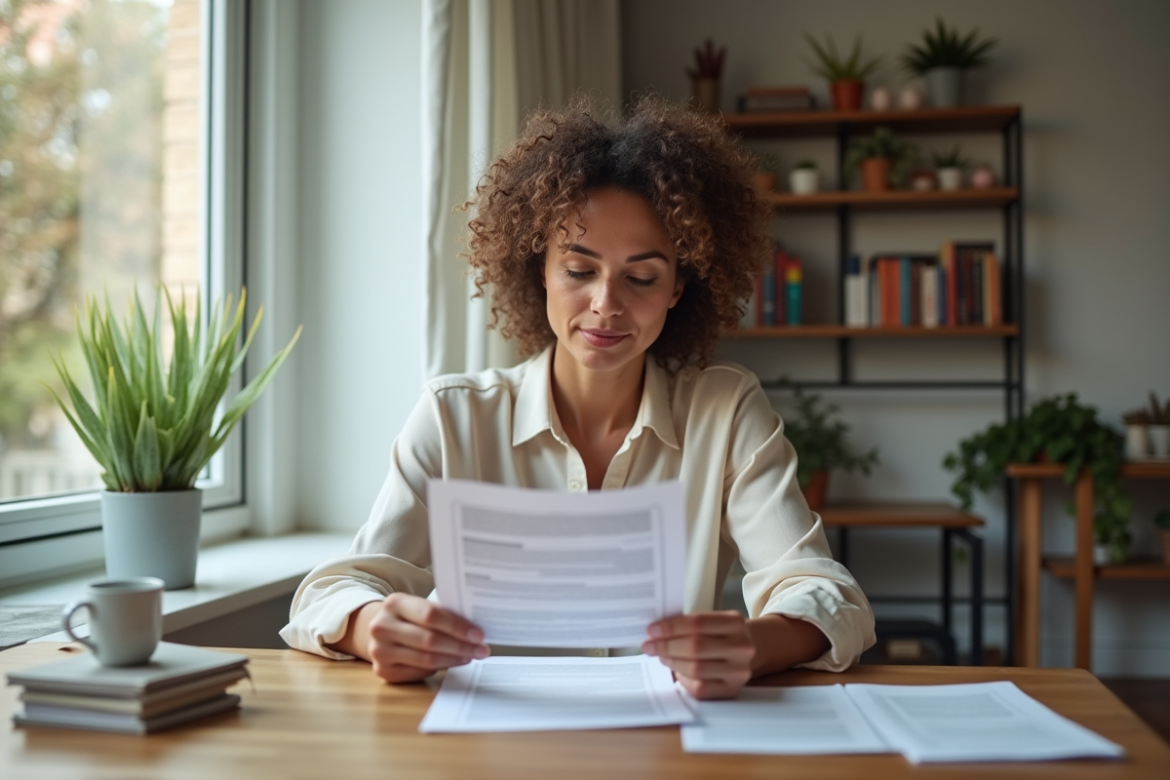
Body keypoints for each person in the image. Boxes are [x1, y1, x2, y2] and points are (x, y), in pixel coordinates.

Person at [280, 97, 875, 700]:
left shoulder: (724, 409)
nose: (606, 305)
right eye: (577, 270)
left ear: (678, 287)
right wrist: (371, 625)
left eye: (641, 278)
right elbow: (331, 592)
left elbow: (828, 594)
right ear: (538, 268)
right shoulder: (455, 416)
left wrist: (755, 644)